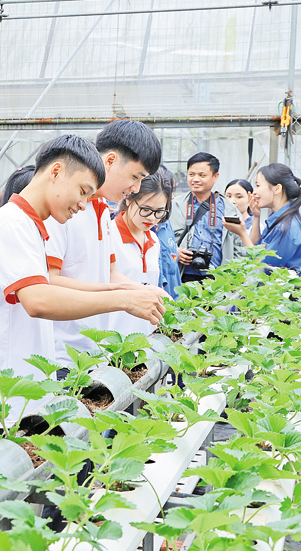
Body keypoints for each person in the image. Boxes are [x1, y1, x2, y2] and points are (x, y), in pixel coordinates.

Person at [0, 134, 166, 379]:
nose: (83, 204)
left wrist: (127, 291)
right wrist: (124, 299)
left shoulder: (32, 226)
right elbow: (38, 300)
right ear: (56, 172)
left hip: (22, 378)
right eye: (82, 191)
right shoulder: (12, 224)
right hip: (2, 381)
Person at [44, 120, 165, 367]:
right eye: (135, 177)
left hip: (95, 353)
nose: (136, 188)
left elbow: (110, 274)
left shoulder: (101, 211)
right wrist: (123, 297)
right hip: (62, 357)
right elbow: (48, 281)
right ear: (110, 161)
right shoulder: (63, 208)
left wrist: (144, 291)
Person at [106, 166, 174, 335]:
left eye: (159, 212)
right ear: (128, 198)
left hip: (145, 337)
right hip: (111, 337)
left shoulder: (154, 241)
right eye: (146, 209)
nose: (151, 218)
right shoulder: (108, 235)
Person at [170, 152, 243, 283]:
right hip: (181, 276)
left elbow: (238, 247)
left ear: (215, 177)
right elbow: (160, 239)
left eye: (202, 175)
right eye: (191, 174)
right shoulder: (174, 206)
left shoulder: (229, 209)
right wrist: (176, 252)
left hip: (218, 280)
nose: (195, 179)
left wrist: (235, 279)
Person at [226, 163, 301, 274]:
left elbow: (261, 266)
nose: (254, 192)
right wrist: (256, 217)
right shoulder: (280, 219)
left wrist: (242, 233)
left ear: (277, 188)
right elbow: (256, 247)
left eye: (258, 185)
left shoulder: (285, 227)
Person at [154, 171, 182, 299]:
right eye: (170, 192)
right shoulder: (147, 227)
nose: (173, 197)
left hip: (172, 299)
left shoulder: (165, 223)